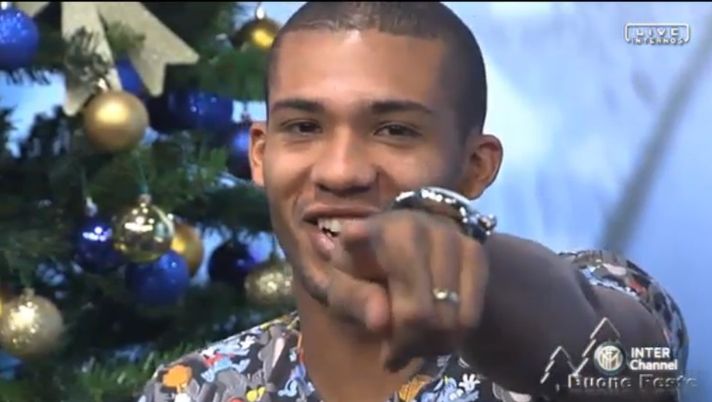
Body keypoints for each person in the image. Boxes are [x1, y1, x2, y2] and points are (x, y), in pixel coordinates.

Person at [138, 2, 688, 402]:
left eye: (395, 130)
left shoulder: (608, 293)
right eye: (304, 126)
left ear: (476, 167)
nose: (341, 172)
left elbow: (626, 359)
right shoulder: (194, 389)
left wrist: (471, 264)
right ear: (260, 155)